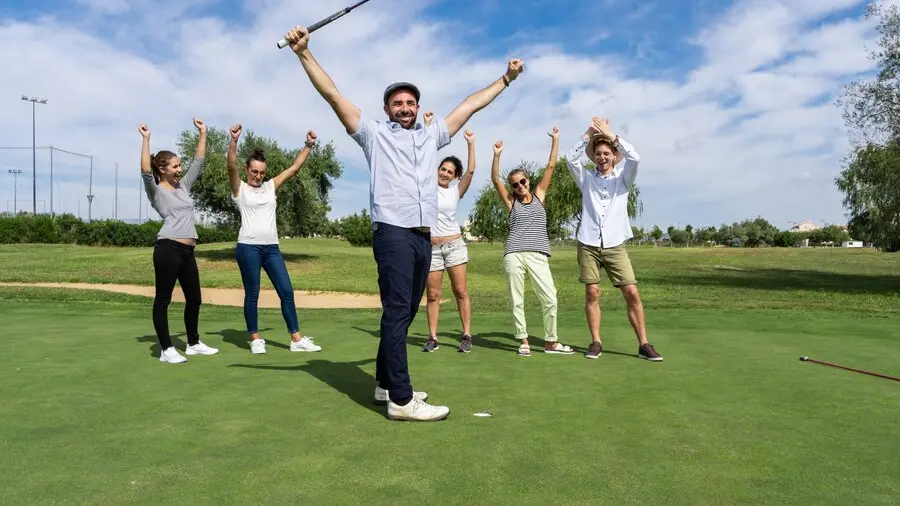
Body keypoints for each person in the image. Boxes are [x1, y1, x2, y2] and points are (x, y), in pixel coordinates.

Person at [282, 25, 525, 421]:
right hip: (392, 233)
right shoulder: (372, 134)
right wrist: (304, 53)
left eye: (411, 102)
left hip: (423, 237)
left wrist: (505, 79)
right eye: (398, 103)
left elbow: (469, 106)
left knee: (405, 311)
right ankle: (401, 399)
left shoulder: (431, 136)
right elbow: (332, 95)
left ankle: (384, 383)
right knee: (397, 312)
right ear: (387, 110)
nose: (406, 108)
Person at [564, 116, 663, 361]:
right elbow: (570, 158)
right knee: (593, 292)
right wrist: (588, 133)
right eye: (598, 153)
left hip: (615, 244)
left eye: (607, 153)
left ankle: (644, 344)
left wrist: (612, 135)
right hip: (588, 243)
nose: (602, 157)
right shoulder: (586, 179)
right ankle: (596, 341)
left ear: (613, 156)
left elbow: (635, 158)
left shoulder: (623, 179)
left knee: (631, 292)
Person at [226, 123, 323, 355]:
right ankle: (255, 338)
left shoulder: (270, 187)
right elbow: (230, 165)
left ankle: (296, 339)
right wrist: (234, 141)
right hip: (248, 247)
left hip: (271, 248)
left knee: (286, 291)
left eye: (261, 172)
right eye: (254, 171)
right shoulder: (240, 189)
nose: (258, 176)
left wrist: (308, 145)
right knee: (253, 294)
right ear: (247, 169)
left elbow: (294, 169)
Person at [139, 118, 219, 364]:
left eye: (179, 165)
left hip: (187, 251)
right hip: (168, 248)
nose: (179, 169)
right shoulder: (156, 190)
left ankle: (193, 343)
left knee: (194, 298)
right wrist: (146, 139)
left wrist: (203, 132)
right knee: (163, 298)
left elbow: (199, 161)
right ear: (163, 169)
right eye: (175, 166)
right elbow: (144, 170)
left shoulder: (183, 187)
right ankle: (166, 349)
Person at [491, 128, 575, 357]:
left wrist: (556, 140)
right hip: (514, 254)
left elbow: (550, 166)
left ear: (528, 180)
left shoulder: (539, 195)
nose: (520, 186)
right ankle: (523, 341)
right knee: (517, 299)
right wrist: (497, 155)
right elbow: (495, 179)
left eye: (522, 181)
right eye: (515, 184)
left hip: (538, 254)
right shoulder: (511, 203)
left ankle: (551, 342)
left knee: (550, 297)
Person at [421, 115, 476, 354]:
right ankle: (433, 337)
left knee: (460, 291)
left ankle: (466, 335)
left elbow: (471, 171)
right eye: (442, 169)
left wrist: (471, 144)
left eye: (449, 172)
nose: (444, 173)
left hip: (454, 245)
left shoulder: (454, 192)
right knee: (432, 295)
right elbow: (420, 155)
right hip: (430, 248)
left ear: (454, 176)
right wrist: (426, 127)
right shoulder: (424, 185)